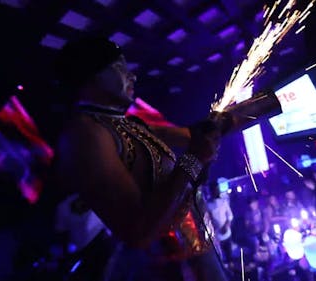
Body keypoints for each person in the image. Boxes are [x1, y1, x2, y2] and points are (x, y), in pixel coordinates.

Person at [52, 35, 225, 281]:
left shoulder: (126, 123)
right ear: (90, 78)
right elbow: (138, 232)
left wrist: (231, 118)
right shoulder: (85, 134)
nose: (132, 76)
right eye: (120, 68)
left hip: (195, 246)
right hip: (167, 268)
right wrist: (194, 160)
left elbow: (193, 135)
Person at [206, 182, 234, 265]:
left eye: (217, 189)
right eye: (213, 190)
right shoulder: (208, 205)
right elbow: (209, 219)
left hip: (227, 233)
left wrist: (226, 225)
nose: (216, 191)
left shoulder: (224, 201)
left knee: (229, 255)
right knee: (220, 257)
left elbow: (230, 215)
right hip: (217, 235)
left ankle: (231, 265)